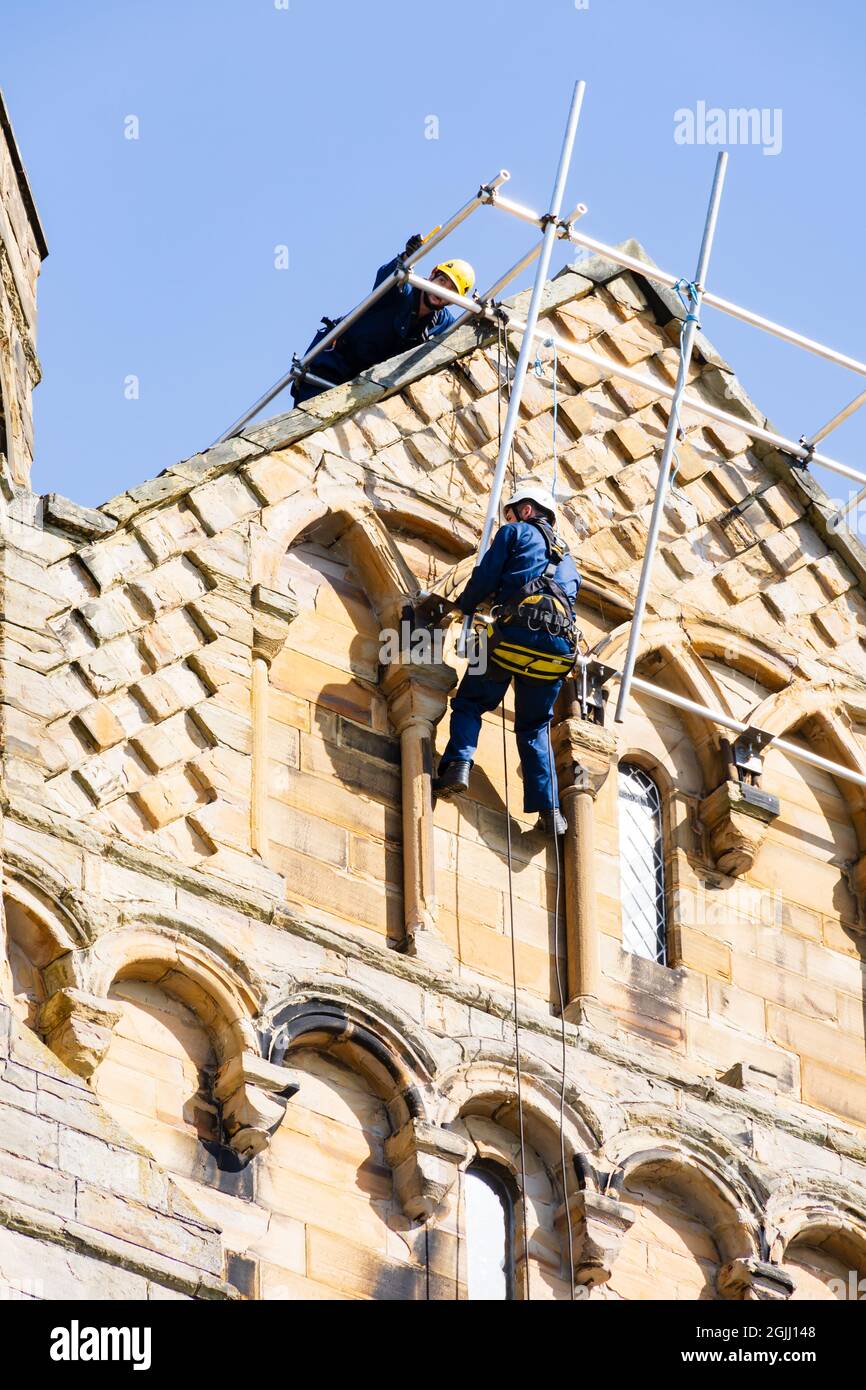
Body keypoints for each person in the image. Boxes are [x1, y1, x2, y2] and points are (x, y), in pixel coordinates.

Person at [417, 483, 581, 836]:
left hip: (509, 637)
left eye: (509, 513)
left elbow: (485, 577)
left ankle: (458, 765)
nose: (507, 519)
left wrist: (464, 605)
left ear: (525, 510)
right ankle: (550, 811)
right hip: (556, 655)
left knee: (471, 702)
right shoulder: (569, 561)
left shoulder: (514, 532)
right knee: (535, 726)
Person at [291, 236, 475, 404]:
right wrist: (406, 257)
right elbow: (387, 276)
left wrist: (489, 317)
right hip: (331, 365)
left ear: (453, 301)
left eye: (451, 291)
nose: (441, 291)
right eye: (442, 281)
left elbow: (466, 331)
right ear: (432, 275)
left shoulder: (442, 323)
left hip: (361, 386)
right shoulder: (404, 287)